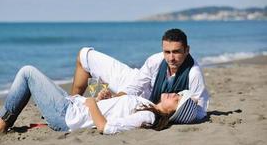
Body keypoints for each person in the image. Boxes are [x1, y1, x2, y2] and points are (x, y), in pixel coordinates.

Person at [0, 65, 199, 135]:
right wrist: (105, 100)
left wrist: (92, 104)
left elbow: (107, 128)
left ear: (173, 111)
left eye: (178, 98)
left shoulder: (149, 115)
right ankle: (4, 122)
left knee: (27, 72)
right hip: (73, 106)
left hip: (67, 115)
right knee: (94, 78)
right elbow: (115, 114)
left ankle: (1, 125)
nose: (174, 93)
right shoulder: (148, 107)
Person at [71, 28, 209, 121]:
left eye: (177, 52)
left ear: (187, 50)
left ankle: (75, 112)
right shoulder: (155, 60)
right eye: (167, 52)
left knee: (104, 100)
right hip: (135, 84)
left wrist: (169, 116)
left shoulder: (193, 73)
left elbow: (201, 112)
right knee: (84, 56)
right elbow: (135, 86)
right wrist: (114, 98)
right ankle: (70, 104)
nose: (171, 58)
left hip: (147, 107)